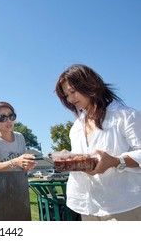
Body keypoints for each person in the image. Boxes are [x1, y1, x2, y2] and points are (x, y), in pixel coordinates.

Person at [55, 64, 141, 221]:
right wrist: (70, 158)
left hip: (122, 207)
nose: (70, 99)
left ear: (90, 84)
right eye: (66, 95)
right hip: (87, 206)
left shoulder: (127, 116)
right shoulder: (76, 127)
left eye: (73, 91)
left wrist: (116, 161)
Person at [0, 102, 37, 172]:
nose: (9, 121)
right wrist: (15, 162)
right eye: (2, 118)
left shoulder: (20, 137)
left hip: (20, 182)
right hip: (0, 182)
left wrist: (27, 165)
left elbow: (23, 168)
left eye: (11, 116)